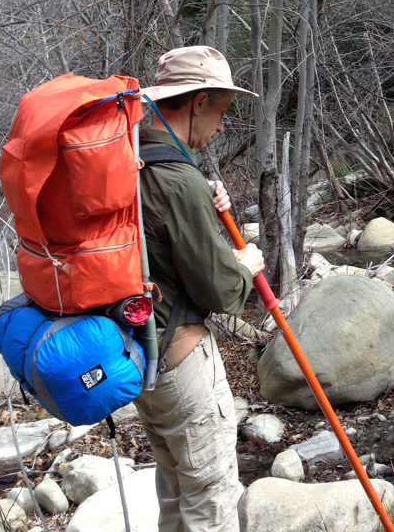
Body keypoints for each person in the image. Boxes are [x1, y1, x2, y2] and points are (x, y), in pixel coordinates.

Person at [135, 45, 265, 531]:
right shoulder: (177, 178)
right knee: (212, 508)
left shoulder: (134, 160)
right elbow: (220, 292)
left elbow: (158, 250)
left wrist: (203, 214)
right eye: (222, 110)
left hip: (144, 360)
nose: (223, 125)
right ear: (198, 101)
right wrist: (245, 264)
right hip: (184, 365)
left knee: (175, 501)